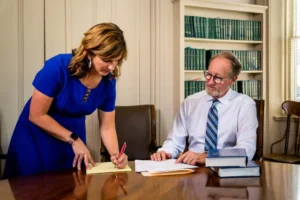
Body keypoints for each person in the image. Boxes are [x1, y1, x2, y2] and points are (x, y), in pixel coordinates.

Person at [3, 22, 128, 179]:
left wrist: (116, 156)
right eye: (107, 60)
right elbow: (36, 115)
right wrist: (74, 140)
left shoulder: (108, 82)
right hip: (36, 134)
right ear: (90, 52)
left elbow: (107, 126)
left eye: (117, 61)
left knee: (69, 188)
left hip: (73, 137)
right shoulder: (58, 67)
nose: (111, 67)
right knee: (33, 188)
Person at [151, 51, 257, 165]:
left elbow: (246, 150)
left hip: (226, 169)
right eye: (208, 75)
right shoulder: (190, 102)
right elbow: (174, 141)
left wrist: (208, 157)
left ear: (233, 80)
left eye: (217, 78)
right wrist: (165, 152)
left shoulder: (245, 105)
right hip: (192, 168)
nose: (210, 82)